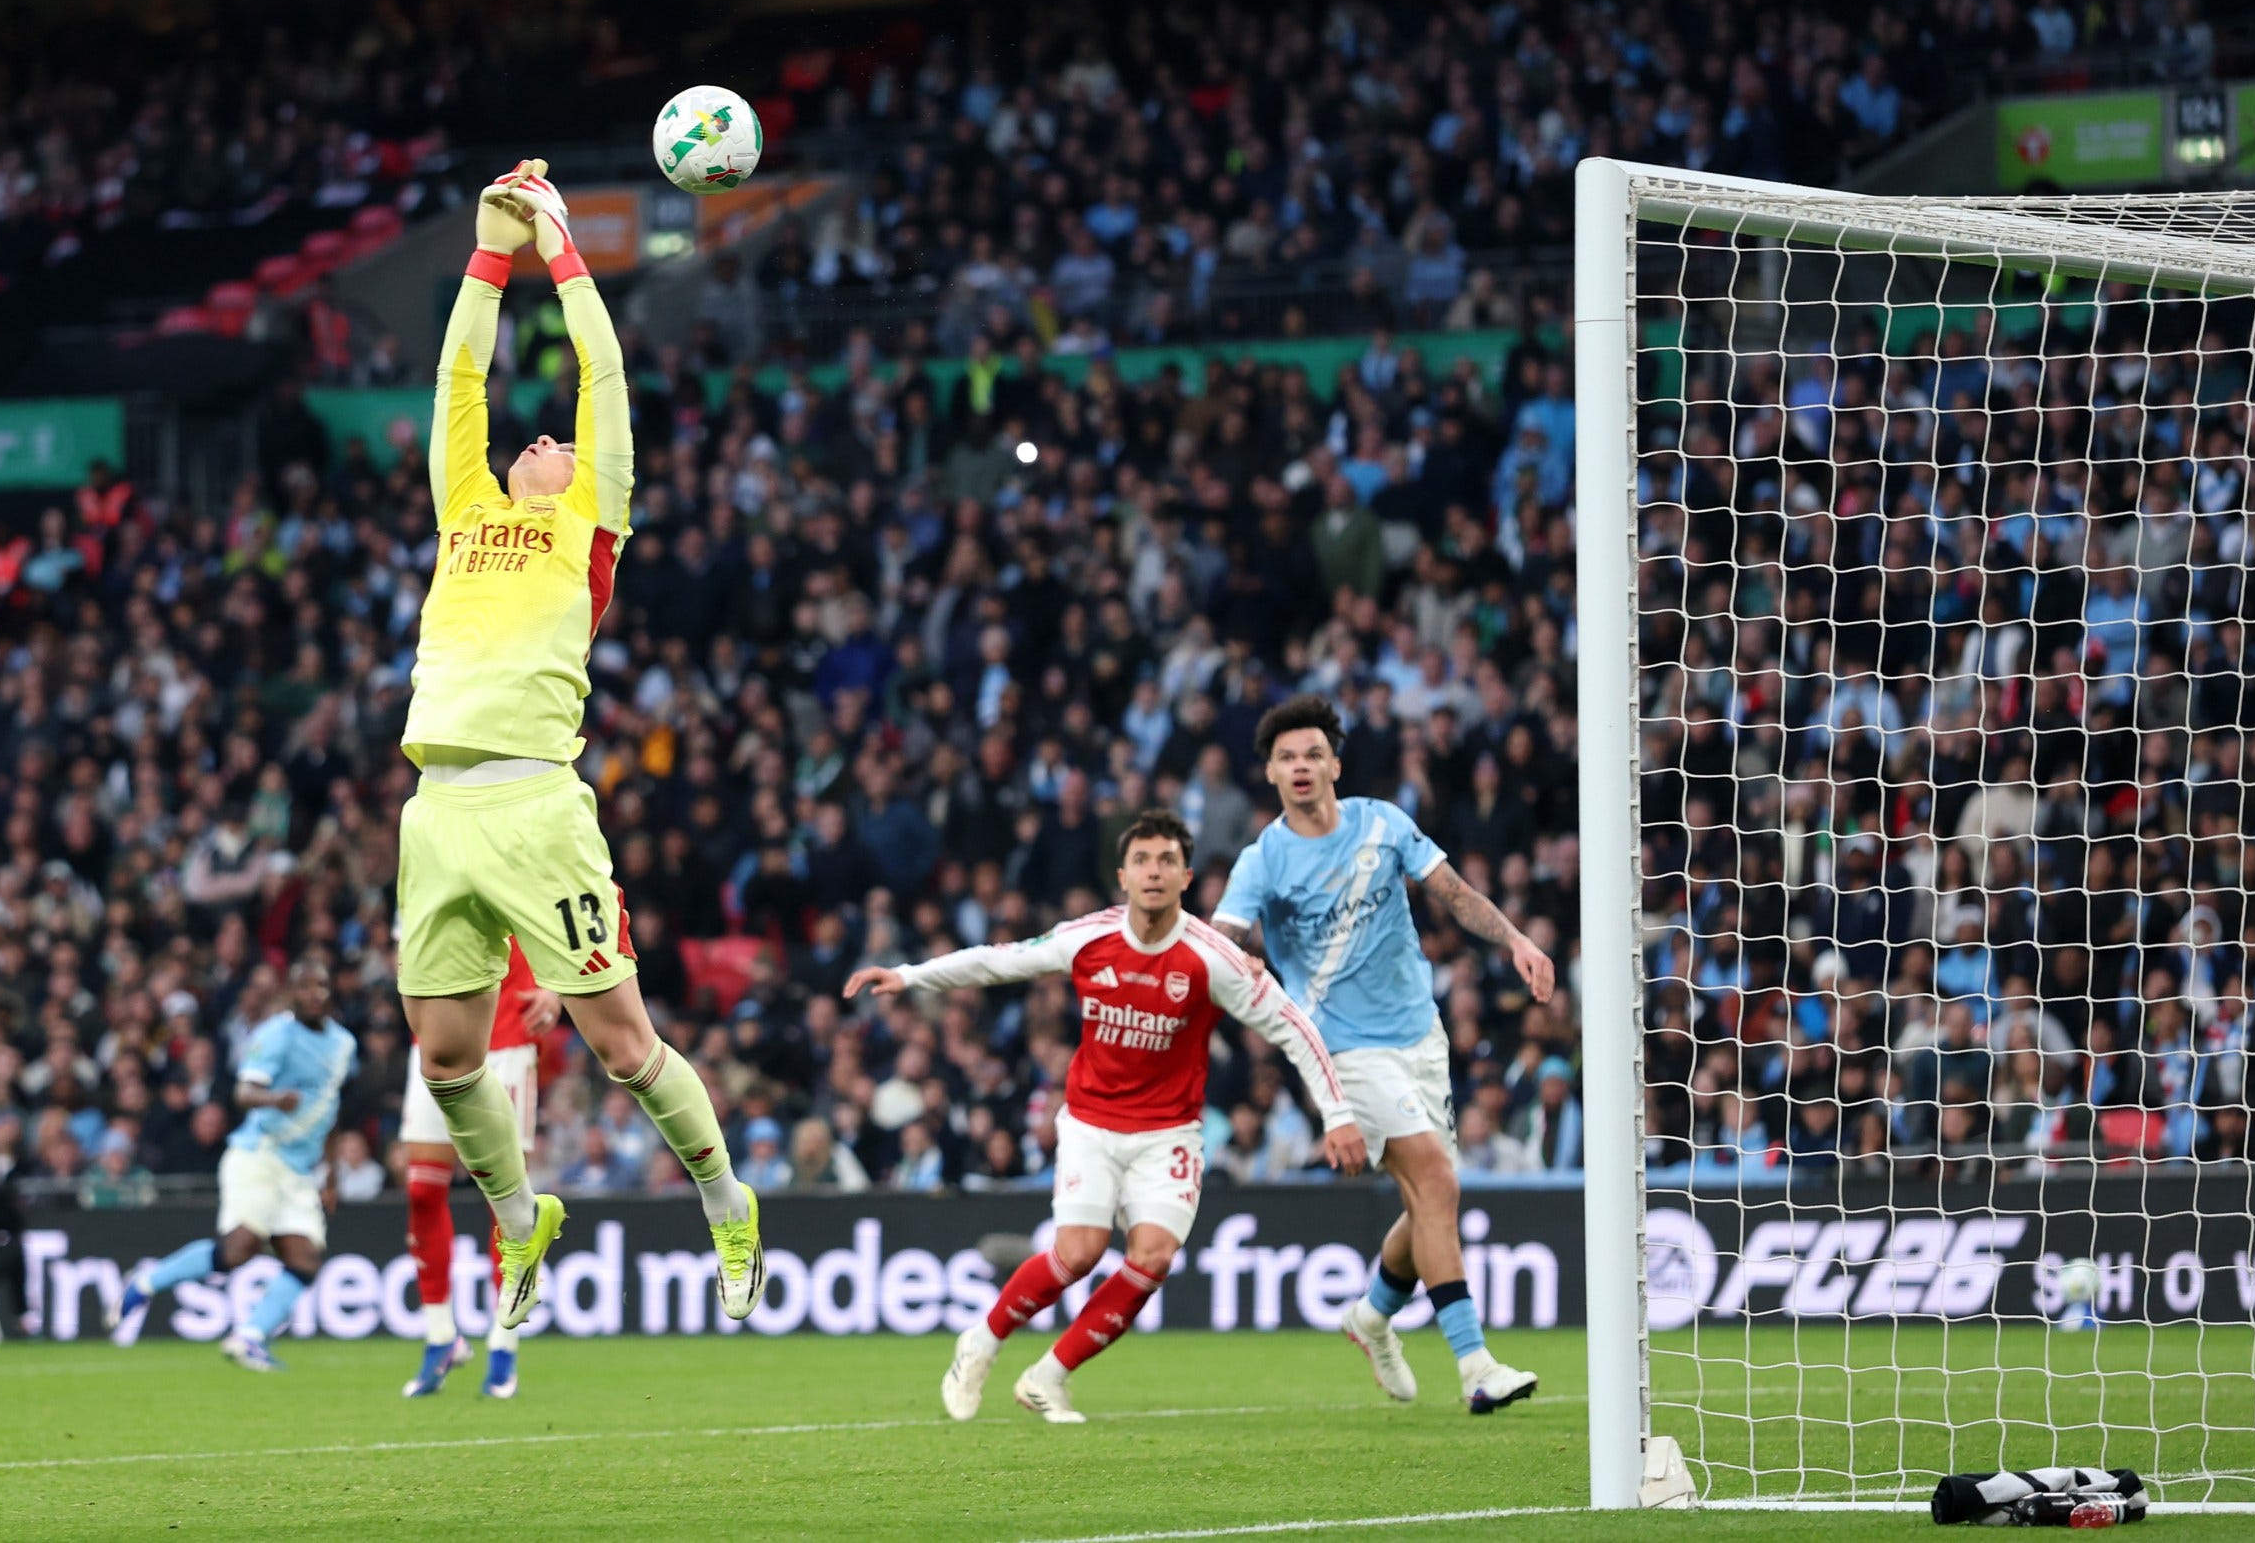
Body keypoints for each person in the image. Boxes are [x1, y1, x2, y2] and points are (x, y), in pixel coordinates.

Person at [393, 160, 761, 1336]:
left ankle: (726, 1199)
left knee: (622, 1044)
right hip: (436, 809)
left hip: (535, 804)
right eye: (535, 437)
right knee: (446, 1057)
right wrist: (486, 252)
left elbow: (602, 373)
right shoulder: (467, 510)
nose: (543, 436)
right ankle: (519, 1220)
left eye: (556, 442)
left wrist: (558, 246)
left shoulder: (590, 523)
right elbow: (459, 375)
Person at [848, 808, 1362, 1425]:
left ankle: (1048, 1377)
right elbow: (996, 960)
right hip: (1092, 1122)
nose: (1154, 872)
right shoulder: (1089, 937)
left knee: (1153, 1258)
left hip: (1169, 1131)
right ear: (1123, 876)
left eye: (1167, 861)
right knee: (1079, 1253)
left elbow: (1293, 1027)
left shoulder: (1214, 958)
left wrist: (1338, 1113)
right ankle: (980, 1344)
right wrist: (907, 976)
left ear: (1186, 877)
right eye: (1142, 860)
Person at [1211, 695, 1553, 1413]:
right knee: (1434, 1180)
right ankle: (1476, 1366)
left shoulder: (1383, 823)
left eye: (1313, 754)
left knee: (1432, 1200)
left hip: (1420, 1035)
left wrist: (1516, 939)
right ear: (1270, 773)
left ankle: (1370, 1316)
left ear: (1334, 765)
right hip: (1343, 1049)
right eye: (1286, 757)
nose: (1300, 767)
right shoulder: (1262, 861)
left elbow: (1454, 894)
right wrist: (1225, 967)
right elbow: (1222, 944)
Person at [105, 961, 357, 1370]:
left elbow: (331, 1108)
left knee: (305, 1258)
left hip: (298, 1170)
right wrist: (274, 1099)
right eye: (306, 986)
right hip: (259, 1153)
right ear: (291, 993)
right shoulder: (276, 1034)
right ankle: (146, 1282)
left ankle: (250, 1337)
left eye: (322, 986)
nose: (315, 994)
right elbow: (244, 1092)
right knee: (239, 1248)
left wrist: (331, 1175)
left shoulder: (344, 1044)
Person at [400, 937, 559, 1399]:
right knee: (421, 1192)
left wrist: (556, 989)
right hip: (436, 1036)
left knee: (506, 1203)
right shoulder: (414, 886)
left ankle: (504, 1346)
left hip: (507, 1035)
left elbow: (563, 918)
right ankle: (440, 1337)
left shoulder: (524, 878)